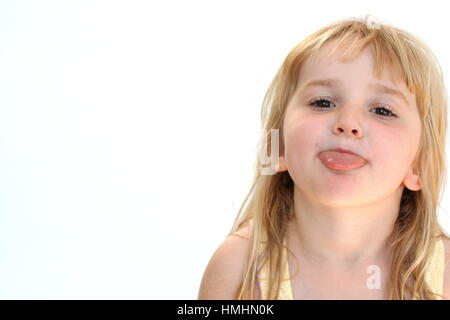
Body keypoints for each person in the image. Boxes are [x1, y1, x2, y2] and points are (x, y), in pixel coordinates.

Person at [197, 15, 450, 300]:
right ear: (277, 146)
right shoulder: (240, 265)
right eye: (322, 102)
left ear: (420, 165)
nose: (348, 122)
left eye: (382, 110)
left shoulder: (444, 276)